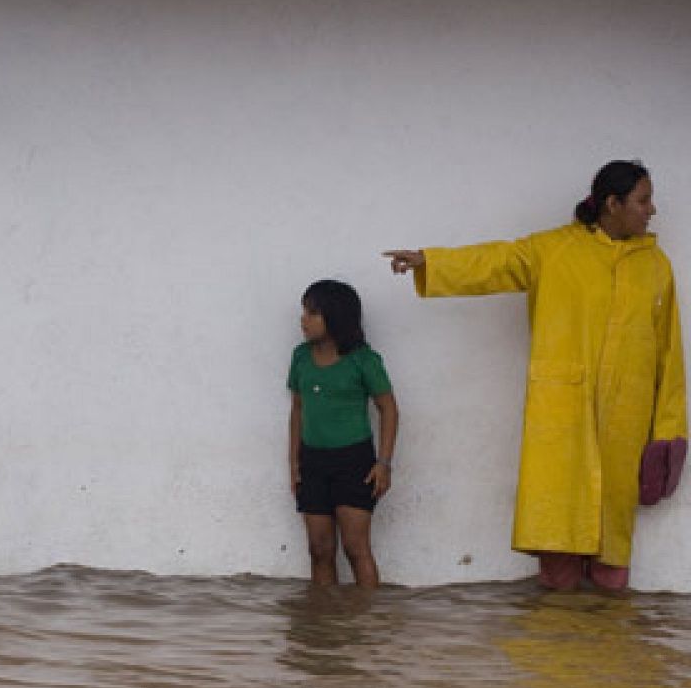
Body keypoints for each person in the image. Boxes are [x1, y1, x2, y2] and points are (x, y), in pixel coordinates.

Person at [385, 159, 687, 591]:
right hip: (562, 413)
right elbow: (495, 261)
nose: (652, 210)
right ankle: (551, 653)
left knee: (612, 555)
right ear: (612, 204)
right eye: (643, 201)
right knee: (557, 545)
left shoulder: (656, 266)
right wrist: (428, 262)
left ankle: (614, 651)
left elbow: (669, 354)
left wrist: (669, 431)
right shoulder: (554, 250)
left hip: (626, 421)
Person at [287, 279, 399, 588]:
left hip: (355, 462)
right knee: (319, 550)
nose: (303, 319)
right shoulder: (300, 357)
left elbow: (388, 408)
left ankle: (366, 626)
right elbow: (297, 410)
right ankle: (325, 628)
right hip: (312, 461)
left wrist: (384, 463)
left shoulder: (363, 360)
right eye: (304, 311)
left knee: (355, 548)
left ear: (335, 317)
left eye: (312, 313)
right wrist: (294, 464)